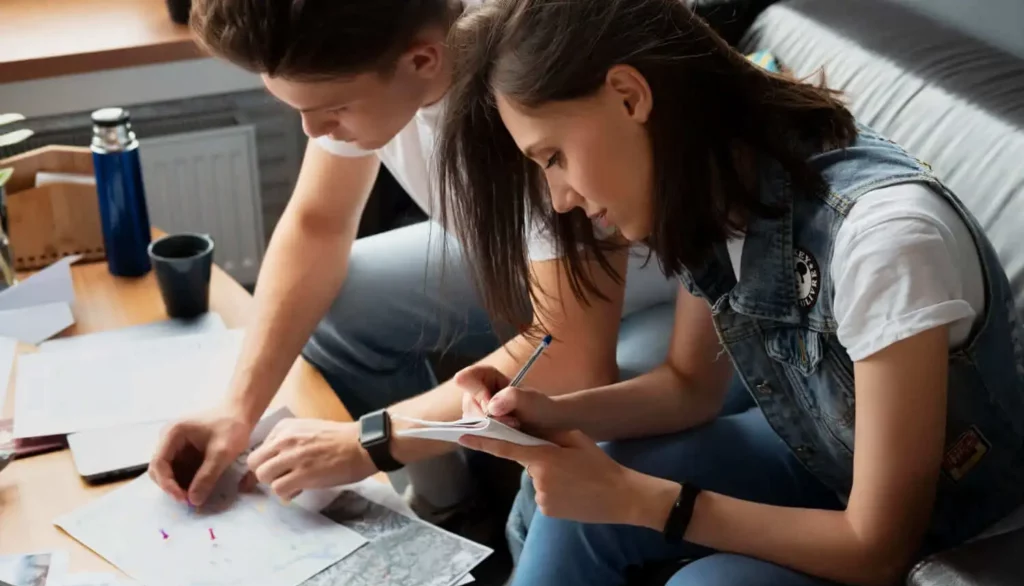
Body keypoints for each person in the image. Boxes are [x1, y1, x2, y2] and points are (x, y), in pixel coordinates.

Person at [437, 0, 1024, 586]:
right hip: (821, 450)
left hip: (954, 544)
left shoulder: (885, 244)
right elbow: (689, 388)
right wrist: (546, 411)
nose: (560, 197)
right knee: (575, 501)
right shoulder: (724, 184)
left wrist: (633, 499)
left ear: (629, 96)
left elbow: (879, 546)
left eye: (554, 156)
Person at [146, 0, 685, 543]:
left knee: (572, 455)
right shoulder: (372, 52)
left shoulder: (531, 103)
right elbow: (318, 225)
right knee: (341, 304)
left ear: (423, 61)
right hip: (525, 260)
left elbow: (572, 357)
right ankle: (451, 509)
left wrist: (371, 441)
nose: (314, 129)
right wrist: (237, 411)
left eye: (332, 110)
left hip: (658, 290)